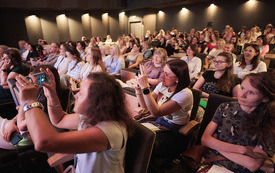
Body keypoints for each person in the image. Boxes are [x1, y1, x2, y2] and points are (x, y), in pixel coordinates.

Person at [15, 71, 133, 173]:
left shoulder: (109, 130)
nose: (76, 96)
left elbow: (44, 142)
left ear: (97, 103)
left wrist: (29, 102)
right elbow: (59, 120)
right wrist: (51, 94)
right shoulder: (93, 116)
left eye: (81, 94)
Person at [201, 72, 275, 173]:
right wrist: (242, 150)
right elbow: (205, 140)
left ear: (265, 98)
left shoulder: (269, 121)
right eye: (242, 88)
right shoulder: (225, 107)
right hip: (214, 162)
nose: (242, 95)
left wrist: (215, 145)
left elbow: (253, 165)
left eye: (251, 93)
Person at [135, 59, 193, 156]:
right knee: (133, 131)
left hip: (174, 131)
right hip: (159, 122)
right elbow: (145, 105)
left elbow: (156, 112)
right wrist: (138, 89)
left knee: (143, 141)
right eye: (163, 72)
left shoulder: (185, 94)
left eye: (166, 74)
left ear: (178, 79)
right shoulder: (163, 86)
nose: (162, 77)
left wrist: (145, 88)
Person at [0, 65, 66, 150]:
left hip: (18, 136)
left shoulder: (44, 100)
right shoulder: (47, 95)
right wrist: (14, 120)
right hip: (14, 129)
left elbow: (21, 126)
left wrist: (23, 105)